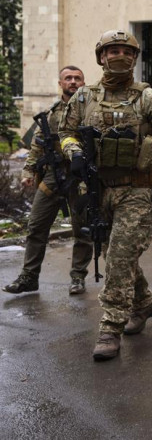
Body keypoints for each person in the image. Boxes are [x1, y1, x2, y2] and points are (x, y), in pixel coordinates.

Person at [58, 30, 152, 361]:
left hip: (137, 189)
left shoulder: (150, 99)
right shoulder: (83, 98)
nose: (119, 56)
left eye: (126, 51)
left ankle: (110, 328)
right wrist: (73, 151)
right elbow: (65, 132)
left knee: (120, 256)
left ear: (135, 58)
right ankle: (145, 303)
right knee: (113, 251)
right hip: (96, 189)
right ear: (101, 57)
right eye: (112, 50)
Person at [3, 66, 93, 296]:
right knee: (36, 225)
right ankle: (29, 277)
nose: (73, 82)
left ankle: (77, 277)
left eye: (77, 78)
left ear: (84, 82)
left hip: (81, 176)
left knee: (82, 228)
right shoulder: (51, 113)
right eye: (68, 78)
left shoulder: (93, 110)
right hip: (54, 174)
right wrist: (28, 171)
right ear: (60, 83)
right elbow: (37, 144)